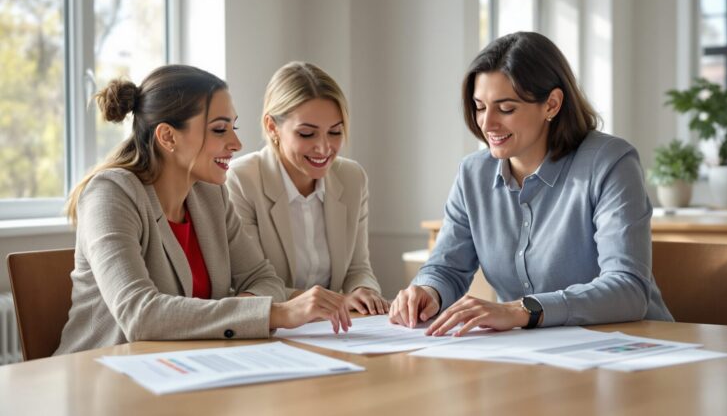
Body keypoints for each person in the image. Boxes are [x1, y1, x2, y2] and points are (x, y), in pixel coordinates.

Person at [388, 32, 673, 336]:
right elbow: (447, 267)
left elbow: (628, 288)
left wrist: (522, 310)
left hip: (630, 344)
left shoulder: (610, 162)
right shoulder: (473, 173)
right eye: (480, 106)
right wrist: (427, 290)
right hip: (533, 351)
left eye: (506, 108)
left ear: (552, 104)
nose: (487, 124)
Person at [56, 65, 351, 355]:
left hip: (188, 366)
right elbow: (140, 315)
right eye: (219, 130)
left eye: (233, 127)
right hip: (102, 372)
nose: (236, 143)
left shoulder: (210, 194)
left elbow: (263, 278)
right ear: (168, 136)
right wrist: (276, 313)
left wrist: (246, 312)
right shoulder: (110, 194)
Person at [226, 62, 388, 315]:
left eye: (335, 132)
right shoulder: (242, 180)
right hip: (272, 326)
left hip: (333, 325)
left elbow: (358, 269)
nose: (324, 148)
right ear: (272, 126)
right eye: (306, 134)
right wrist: (332, 301)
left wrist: (363, 290)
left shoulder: (352, 178)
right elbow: (250, 283)